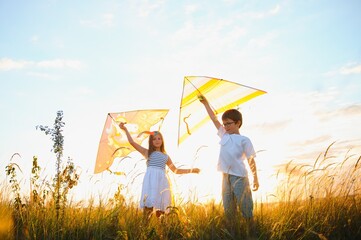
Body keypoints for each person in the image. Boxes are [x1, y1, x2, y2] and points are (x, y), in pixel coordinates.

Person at [199, 95, 259, 235]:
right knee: (228, 208)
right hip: (225, 177)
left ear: (238, 123)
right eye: (224, 124)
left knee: (245, 206)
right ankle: (233, 233)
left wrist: (255, 178)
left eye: (228, 124)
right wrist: (206, 104)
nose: (225, 127)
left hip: (239, 177)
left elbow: (251, 159)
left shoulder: (244, 140)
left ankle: (251, 232)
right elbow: (213, 118)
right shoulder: (224, 135)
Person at [119, 122, 200, 219]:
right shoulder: (147, 152)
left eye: (159, 138)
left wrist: (191, 170)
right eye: (154, 139)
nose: (157, 140)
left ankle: (162, 229)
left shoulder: (165, 156)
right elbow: (132, 142)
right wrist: (125, 129)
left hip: (162, 183)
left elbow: (175, 170)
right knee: (148, 207)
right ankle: (144, 228)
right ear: (151, 141)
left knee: (161, 209)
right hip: (150, 182)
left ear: (162, 140)